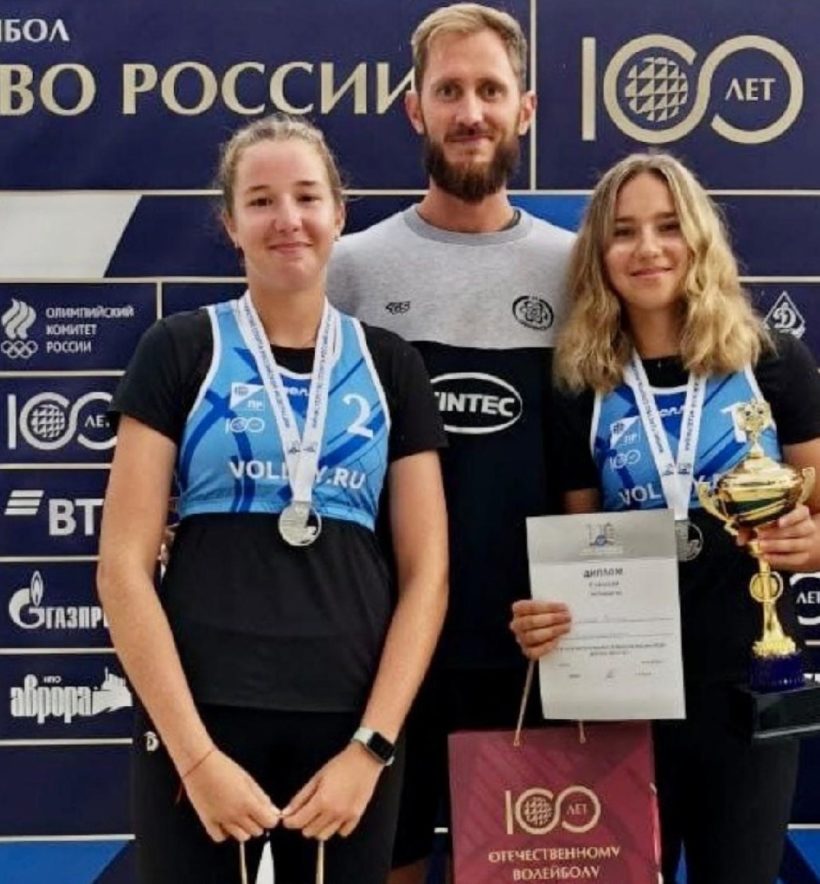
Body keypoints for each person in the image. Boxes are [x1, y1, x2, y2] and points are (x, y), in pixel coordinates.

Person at [97, 114, 448, 884]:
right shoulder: (179, 349)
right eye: (260, 201)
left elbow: (429, 576)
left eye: (307, 197)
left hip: (348, 729)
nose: (287, 218)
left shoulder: (391, 366)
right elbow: (121, 567)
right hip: (201, 721)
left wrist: (372, 748)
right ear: (230, 224)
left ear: (339, 214)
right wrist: (194, 757)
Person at [510, 151, 820, 884]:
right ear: (599, 255)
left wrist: (809, 542)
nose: (647, 248)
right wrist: (546, 616)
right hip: (625, 692)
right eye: (623, 232)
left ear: (699, 238)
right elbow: (581, 549)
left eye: (667, 226)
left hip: (749, 686)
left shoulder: (771, 362)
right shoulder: (580, 385)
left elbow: (816, 507)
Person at [327, 4, 574, 881]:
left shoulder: (577, 269)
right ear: (415, 108)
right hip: (380, 649)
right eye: (449, 91)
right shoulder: (350, 270)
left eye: (491, 91)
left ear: (525, 110)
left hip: (535, 651)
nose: (471, 112)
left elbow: (612, 453)